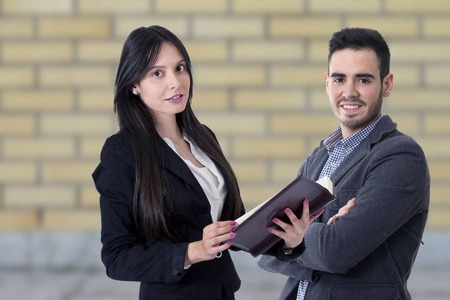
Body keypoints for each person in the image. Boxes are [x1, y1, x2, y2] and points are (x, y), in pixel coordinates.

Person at [92, 25, 317, 300]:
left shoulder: (202, 137)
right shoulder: (121, 152)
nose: (175, 82)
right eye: (157, 73)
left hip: (222, 292)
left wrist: (289, 239)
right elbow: (116, 258)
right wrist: (194, 250)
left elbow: (233, 227)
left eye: (180, 68)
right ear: (134, 86)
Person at [257, 27, 430, 300]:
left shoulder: (401, 157)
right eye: (339, 79)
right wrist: (319, 234)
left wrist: (299, 237)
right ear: (327, 83)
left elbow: (336, 252)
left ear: (386, 84)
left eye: (363, 80)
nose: (349, 92)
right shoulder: (318, 158)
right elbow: (266, 253)